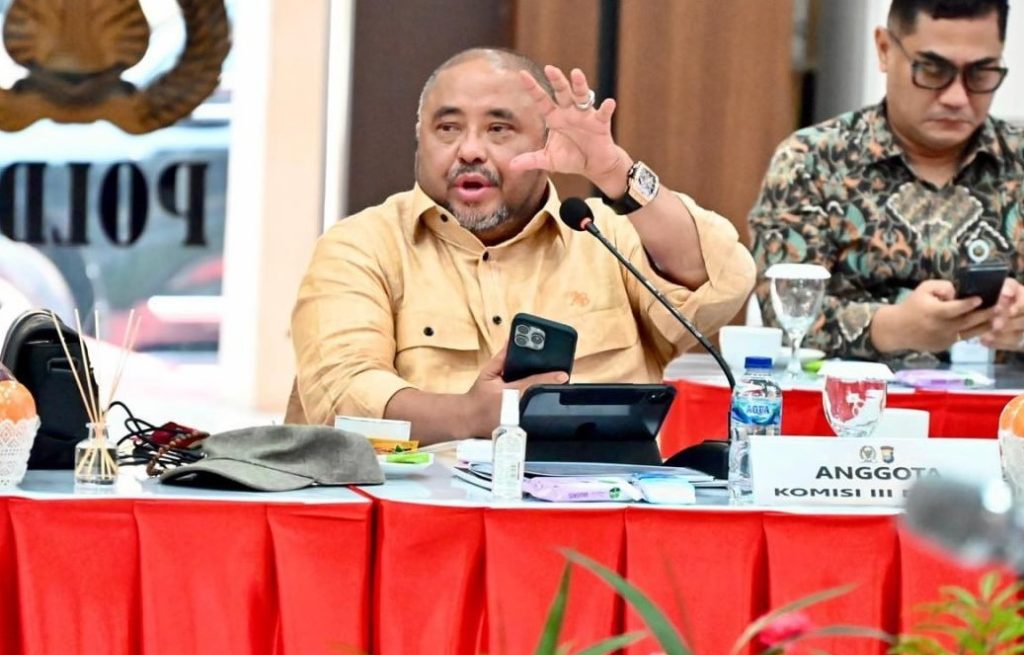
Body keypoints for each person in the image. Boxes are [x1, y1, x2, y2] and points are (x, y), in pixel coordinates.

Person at [287, 48, 754, 443]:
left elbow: (720, 288)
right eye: (447, 128)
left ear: (548, 139)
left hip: (596, 510)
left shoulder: (604, 235)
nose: (470, 150)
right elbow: (341, 395)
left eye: (499, 129)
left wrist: (616, 172)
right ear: (419, 137)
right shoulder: (361, 246)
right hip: (419, 509)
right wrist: (473, 415)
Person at [750, 0, 1023, 363]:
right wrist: (891, 327)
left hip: (1004, 398)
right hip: (845, 395)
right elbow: (781, 311)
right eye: (932, 70)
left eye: (981, 74)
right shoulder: (812, 161)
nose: (957, 97)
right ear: (884, 49)